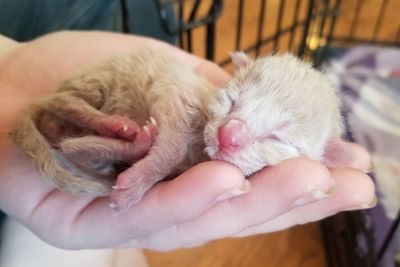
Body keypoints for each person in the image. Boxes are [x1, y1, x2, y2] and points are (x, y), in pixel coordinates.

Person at [0, 31, 376, 251]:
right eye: (232, 101)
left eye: (277, 138)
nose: (231, 133)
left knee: (90, 163)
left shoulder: (321, 150)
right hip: (116, 87)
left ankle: (100, 147)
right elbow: (174, 116)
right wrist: (151, 165)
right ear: (238, 70)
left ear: (324, 155)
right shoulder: (195, 98)